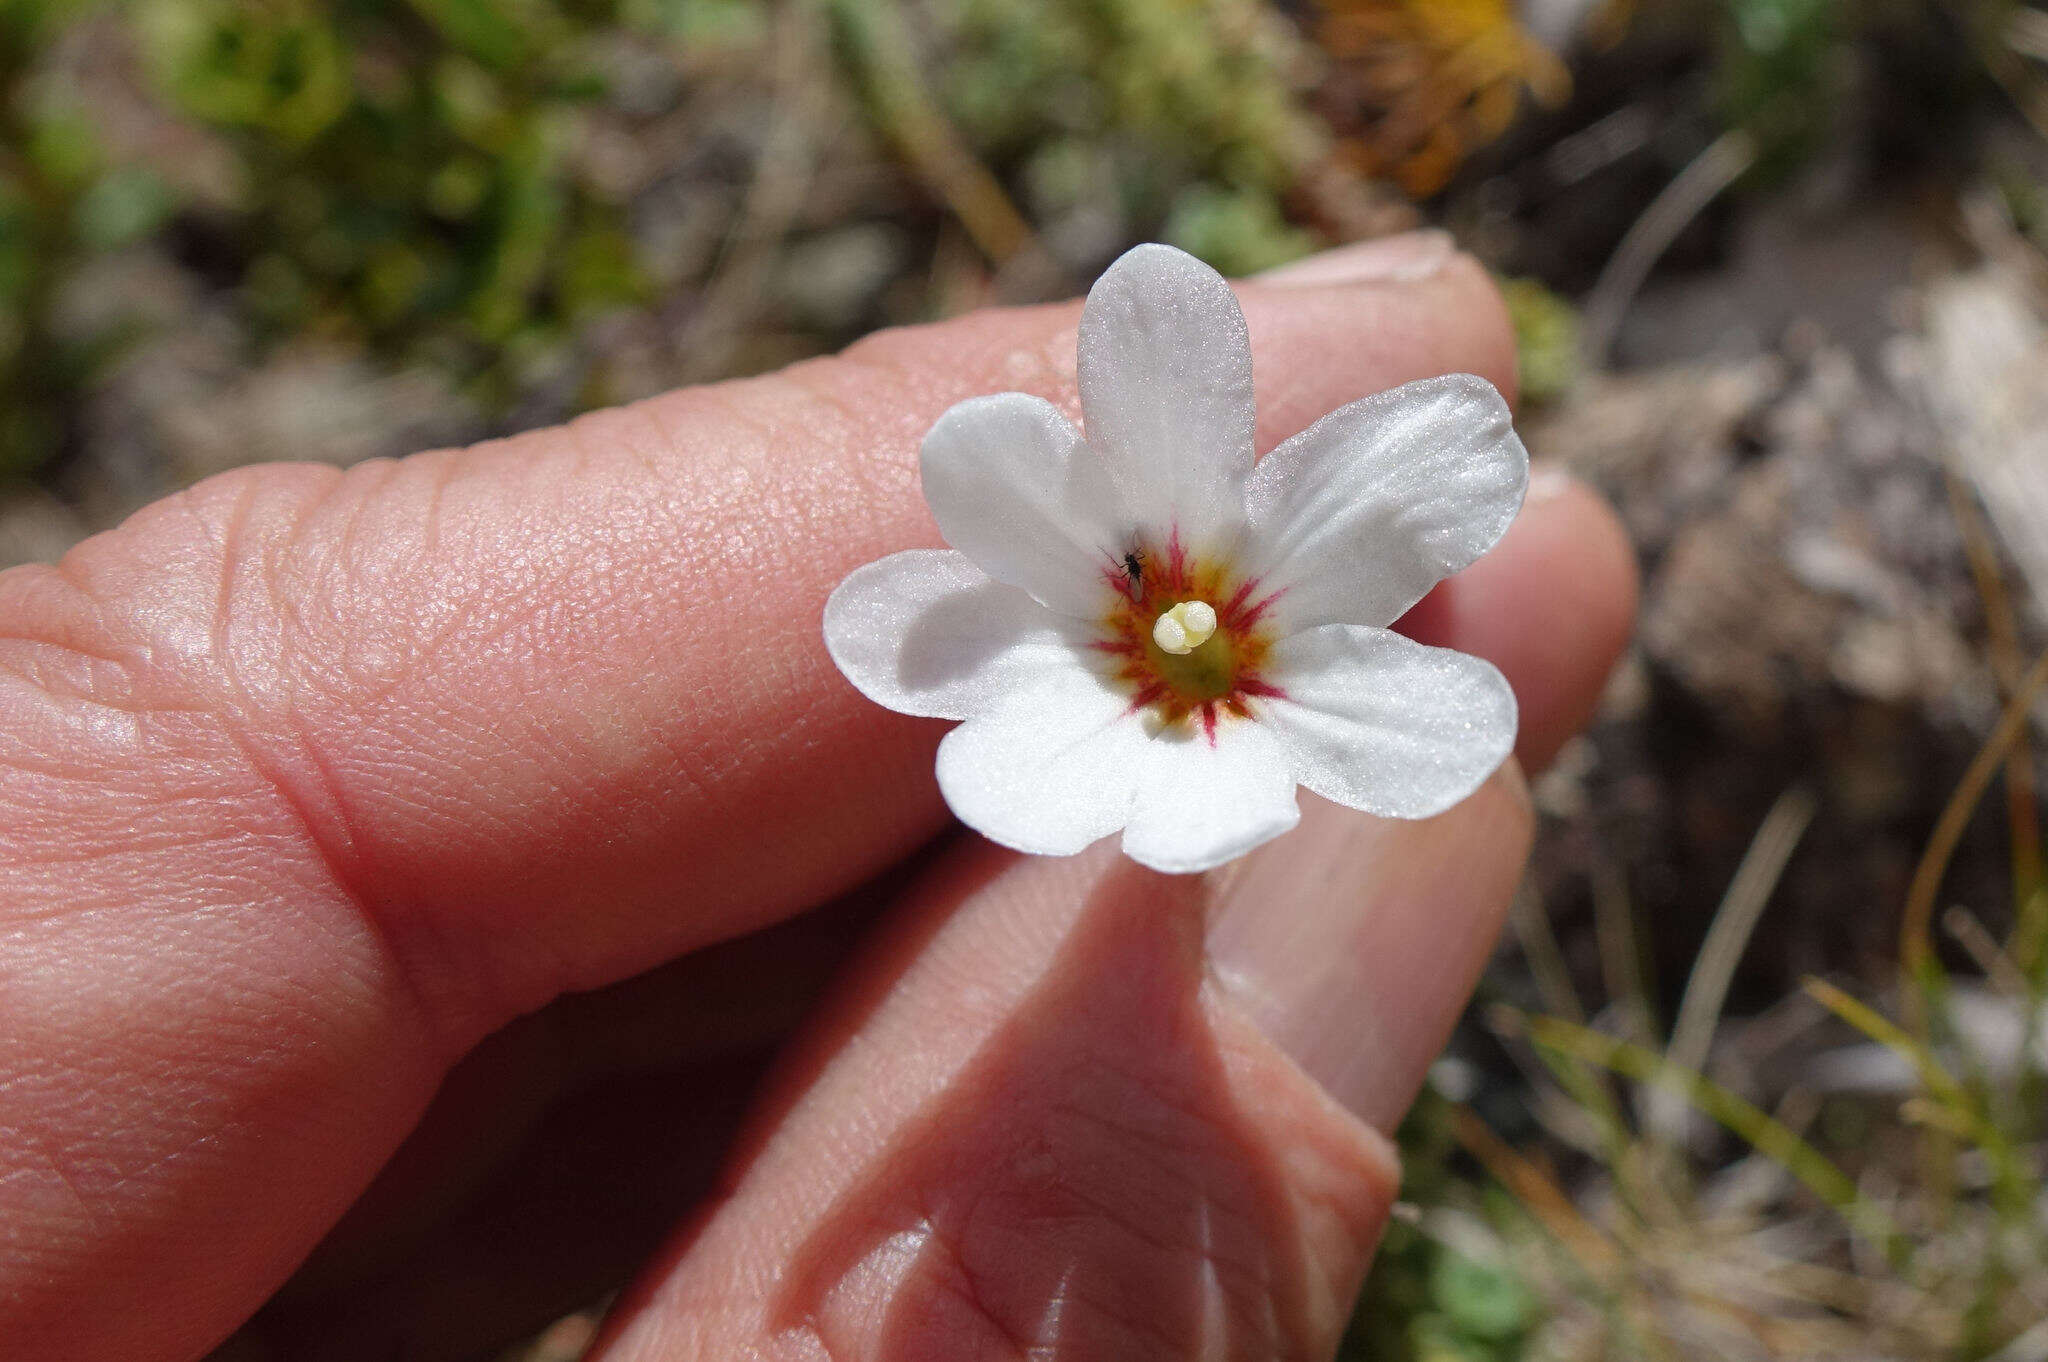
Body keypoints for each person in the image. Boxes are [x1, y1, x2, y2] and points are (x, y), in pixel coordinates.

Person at [0, 233, 1635, 1361]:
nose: (1193, 628)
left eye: (1194, 625)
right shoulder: (1135, 651)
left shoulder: (1202, 644)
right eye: (1173, 622)